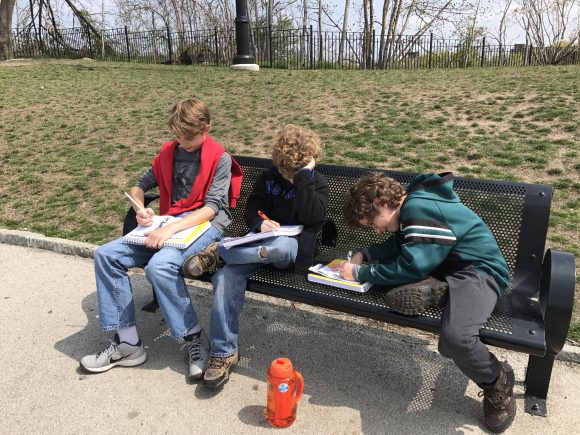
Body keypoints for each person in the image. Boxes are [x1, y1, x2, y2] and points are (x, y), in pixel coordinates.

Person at [80, 98, 242, 382]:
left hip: (204, 226)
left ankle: (194, 340)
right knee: (106, 255)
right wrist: (140, 210)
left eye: (189, 137)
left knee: (159, 267)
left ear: (207, 128)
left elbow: (213, 208)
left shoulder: (220, 158)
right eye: (177, 136)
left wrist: (171, 228)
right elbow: (139, 186)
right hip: (167, 224)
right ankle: (128, 344)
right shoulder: (170, 152)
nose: (183, 142)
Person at [339, 171, 514, 433]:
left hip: (479, 273)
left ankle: (497, 379)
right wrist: (367, 253)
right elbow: (403, 243)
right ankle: (439, 287)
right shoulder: (412, 207)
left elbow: (412, 264)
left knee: (456, 339)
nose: (375, 229)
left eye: (372, 223)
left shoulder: (419, 207)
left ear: (380, 202)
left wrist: (360, 273)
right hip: (451, 270)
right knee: (450, 338)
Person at [182, 124, 330, 389]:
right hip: (258, 245)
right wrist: (261, 223)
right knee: (224, 278)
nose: (289, 176)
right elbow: (253, 208)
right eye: (285, 170)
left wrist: (304, 178)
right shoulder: (269, 177)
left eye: (295, 171)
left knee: (282, 247)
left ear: (308, 165)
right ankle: (223, 353)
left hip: (291, 249)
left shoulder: (315, 183)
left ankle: (222, 251)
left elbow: (313, 218)